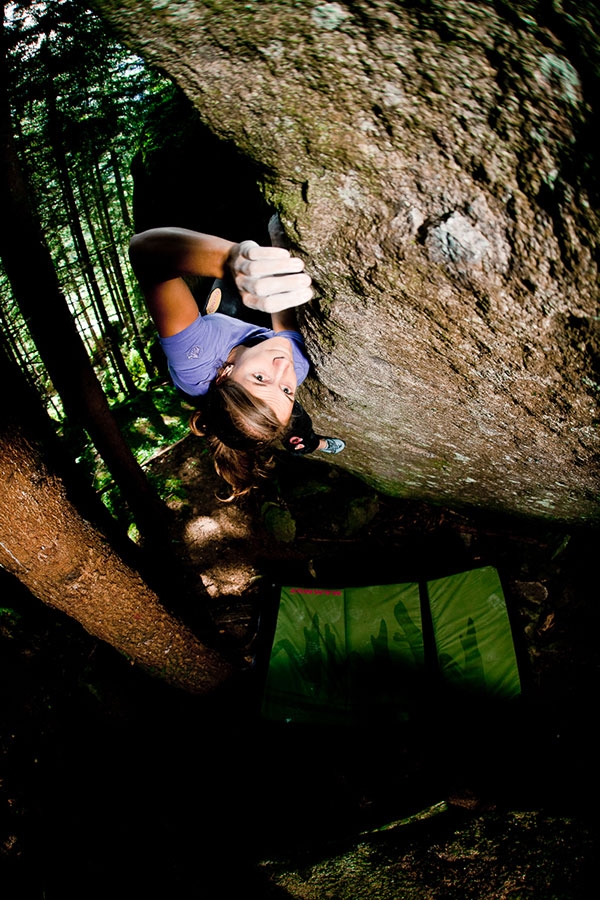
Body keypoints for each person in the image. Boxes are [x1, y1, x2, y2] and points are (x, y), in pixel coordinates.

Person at [129, 222, 345, 499]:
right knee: (299, 429)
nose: (283, 367)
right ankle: (312, 444)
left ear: (225, 373)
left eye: (260, 378)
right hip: (254, 385)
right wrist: (280, 251)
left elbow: (143, 252)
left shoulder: (196, 356)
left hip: (214, 346)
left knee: (224, 297)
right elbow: (283, 316)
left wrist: (232, 261)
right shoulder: (296, 366)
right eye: (287, 390)